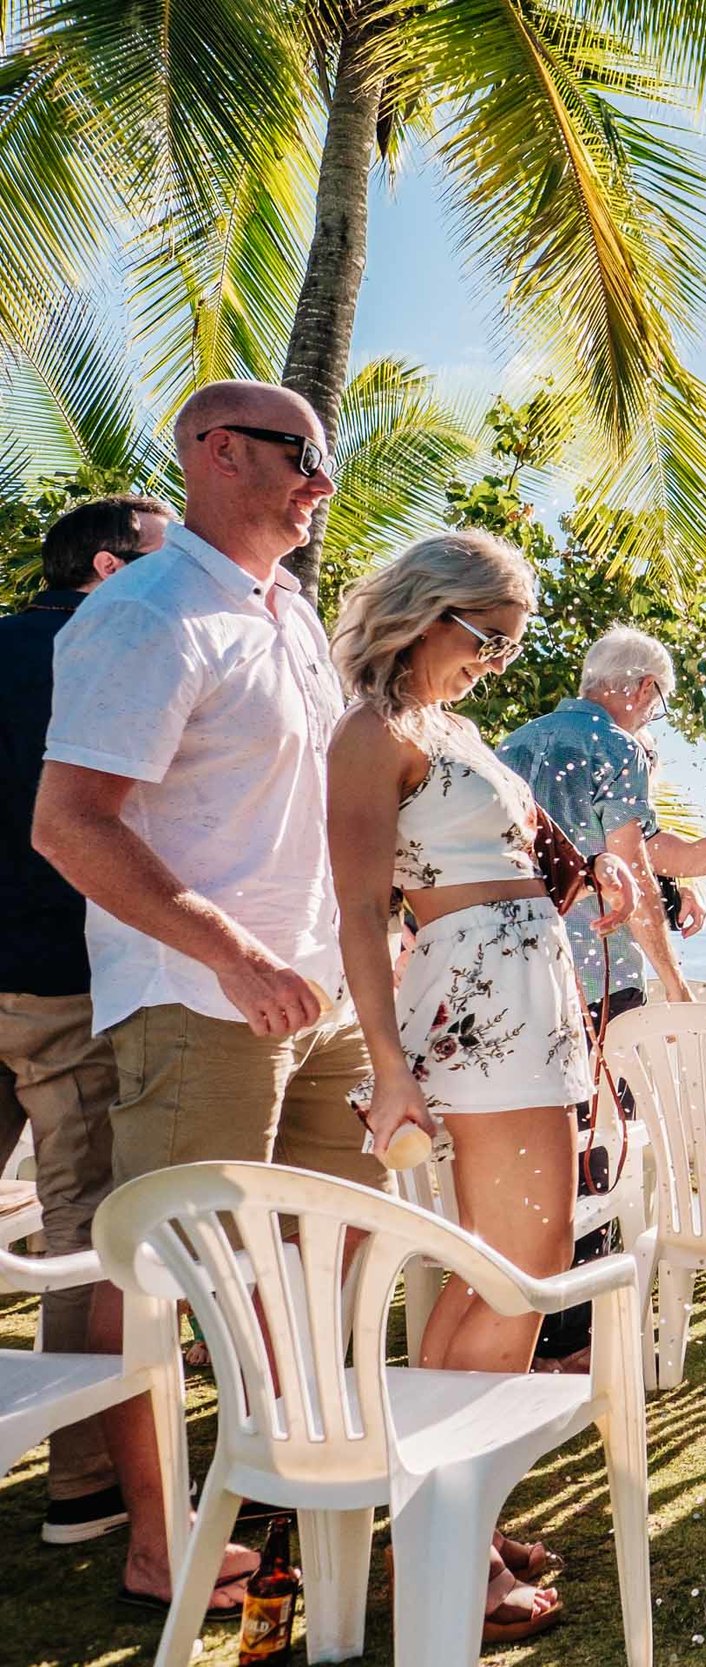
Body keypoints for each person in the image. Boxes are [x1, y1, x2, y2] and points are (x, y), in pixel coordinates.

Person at [34, 380, 375, 1616]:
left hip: (320, 996)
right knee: (163, 1263)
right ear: (217, 452)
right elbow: (68, 824)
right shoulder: (145, 613)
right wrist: (232, 950)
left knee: (323, 1255)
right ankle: (155, 1539)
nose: (321, 483)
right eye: (302, 457)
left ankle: (303, 1487)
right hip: (196, 995)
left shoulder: (285, 614)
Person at [327, 530, 635, 1644]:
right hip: (481, 1016)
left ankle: (449, 1517)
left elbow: (509, 861)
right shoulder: (374, 733)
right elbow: (364, 911)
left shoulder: (452, 729)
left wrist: (590, 875)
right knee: (524, 1267)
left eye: (513, 644)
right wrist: (388, 1064)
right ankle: (444, 1553)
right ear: (427, 611)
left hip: (529, 1001)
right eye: (486, 636)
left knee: (487, 1269)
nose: (499, 660)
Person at [0, 494, 168, 1547]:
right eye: (159, 559)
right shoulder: (114, 652)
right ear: (109, 569)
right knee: (82, 1216)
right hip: (63, 970)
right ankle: (82, 1481)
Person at [497, 627, 706, 1024]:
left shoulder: (511, 744)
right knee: (616, 1088)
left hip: (514, 970)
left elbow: (676, 858)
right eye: (657, 707)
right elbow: (634, 874)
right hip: (598, 976)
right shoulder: (616, 745)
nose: (648, 719)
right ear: (645, 687)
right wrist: (675, 984)